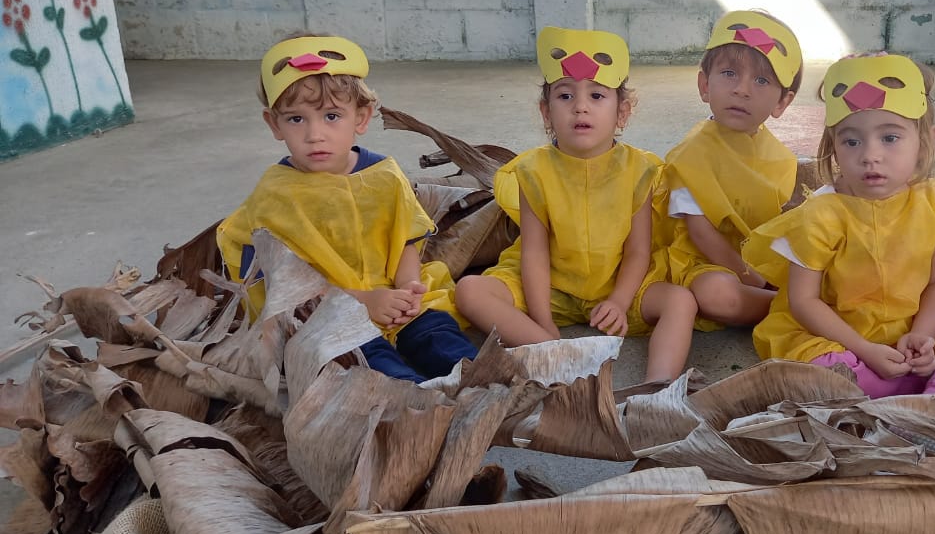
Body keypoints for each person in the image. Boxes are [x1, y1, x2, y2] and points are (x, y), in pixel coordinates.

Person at [743, 54, 935, 397]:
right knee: (824, 375)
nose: (869, 155)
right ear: (833, 147)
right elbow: (804, 302)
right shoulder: (819, 213)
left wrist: (925, 335)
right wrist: (864, 350)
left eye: (889, 138)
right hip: (840, 336)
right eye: (851, 141)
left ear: (926, 141)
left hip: (913, 324)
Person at [216, 34, 477, 384]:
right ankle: (408, 396)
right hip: (325, 312)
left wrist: (408, 287)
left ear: (362, 117)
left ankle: (480, 381)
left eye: (331, 116)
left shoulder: (383, 174)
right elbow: (289, 285)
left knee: (438, 335)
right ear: (274, 124)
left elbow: (405, 240)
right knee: (365, 362)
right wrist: (363, 301)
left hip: (388, 295)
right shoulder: (277, 195)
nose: (315, 134)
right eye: (296, 119)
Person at [454, 26, 697, 383]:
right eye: (565, 96)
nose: (580, 106)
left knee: (681, 301)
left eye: (597, 96)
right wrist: (543, 320)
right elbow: (534, 253)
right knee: (470, 290)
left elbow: (638, 251)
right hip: (551, 287)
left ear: (622, 112)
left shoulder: (640, 170)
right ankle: (554, 353)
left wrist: (618, 300)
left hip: (618, 284)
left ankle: (655, 387)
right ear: (546, 112)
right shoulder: (533, 170)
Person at [662, 10, 801, 329]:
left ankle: (801, 302)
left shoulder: (779, 157)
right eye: (729, 73)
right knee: (716, 296)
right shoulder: (691, 154)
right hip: (705, 263)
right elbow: (701, 234)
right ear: (704, 85)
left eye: (762, 80)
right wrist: (755, 279)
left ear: (782, 102)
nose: (742, 89)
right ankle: (794, 310)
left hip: (759, 259)